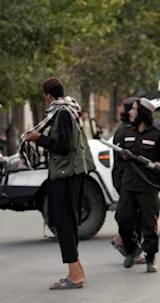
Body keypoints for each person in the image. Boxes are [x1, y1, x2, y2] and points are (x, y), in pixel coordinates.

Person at [24, 77, 96, 289]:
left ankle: (75, 276)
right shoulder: (69, 108)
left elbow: (64, 145)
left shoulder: (62, 113)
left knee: (63, 222)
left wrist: (39, 139)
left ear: (48, 96)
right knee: (65, 221)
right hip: (69, 172)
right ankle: (77, 270)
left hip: (66, 174)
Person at [115, 98, 160, 272]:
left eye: (133, 109)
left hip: (148, 185)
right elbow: (118, 154)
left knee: (149, 222)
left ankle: (150, 257)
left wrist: (159, 164)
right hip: (129, 183)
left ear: (141, 113)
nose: (130, 112)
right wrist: (123, 156)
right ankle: (132, 249)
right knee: (123, 217)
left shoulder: (157, 134)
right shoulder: (126, 131)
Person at [110, 97, 144, 264]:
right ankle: (127, 244)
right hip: (125, 180)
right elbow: (121, 162)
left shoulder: (130, 128)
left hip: (128, 180)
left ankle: (131, 246)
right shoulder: (125, 131)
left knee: (135, 215)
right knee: (129, 215)